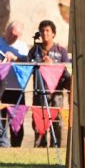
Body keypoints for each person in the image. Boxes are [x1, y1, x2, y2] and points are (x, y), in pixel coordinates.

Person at [27, 20, 71, 148]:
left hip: (56, 93)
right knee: (39, 120)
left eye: (47, 31)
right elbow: (28, 68)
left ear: (53, 34)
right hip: (39, 91)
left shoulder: (60, 51)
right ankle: (40, 146)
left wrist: (53, 66)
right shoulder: (34, 50)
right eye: (42, 31)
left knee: (56, 121)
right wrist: (39, 63)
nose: (45, 33)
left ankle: (55, 146)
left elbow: (67, 72)